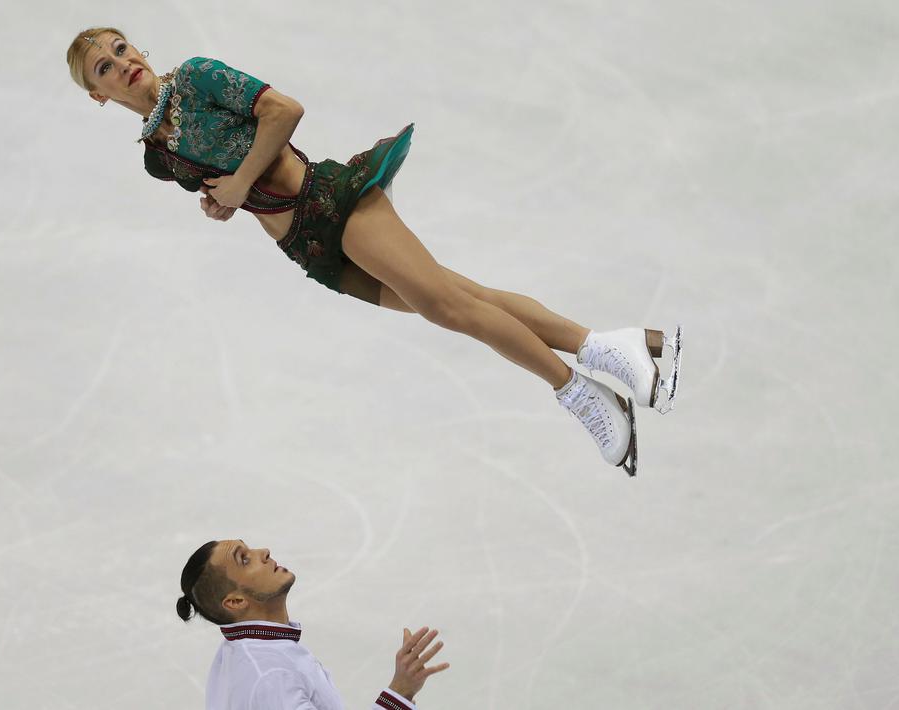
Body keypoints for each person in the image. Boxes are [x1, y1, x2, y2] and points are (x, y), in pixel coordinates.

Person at [65, 27, 684, 475]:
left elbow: (284, 112)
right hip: (305, 249)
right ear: (97, 96)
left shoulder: (197, 76)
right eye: (103, 68)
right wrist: (223, 201)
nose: (121, 64)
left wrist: (243, 180)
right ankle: (616, 347)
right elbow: (229, 181)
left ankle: (581, 394)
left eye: (121, 49)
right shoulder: (157, 156)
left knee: (450, 309)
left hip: (332, 202)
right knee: (465, 297)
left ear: (139, 48)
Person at [177, 539, 449, 709]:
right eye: (244, 559)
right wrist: (400, 693)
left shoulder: (247, 649)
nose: (264, 551)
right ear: (235, 602)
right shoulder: (271, 676)